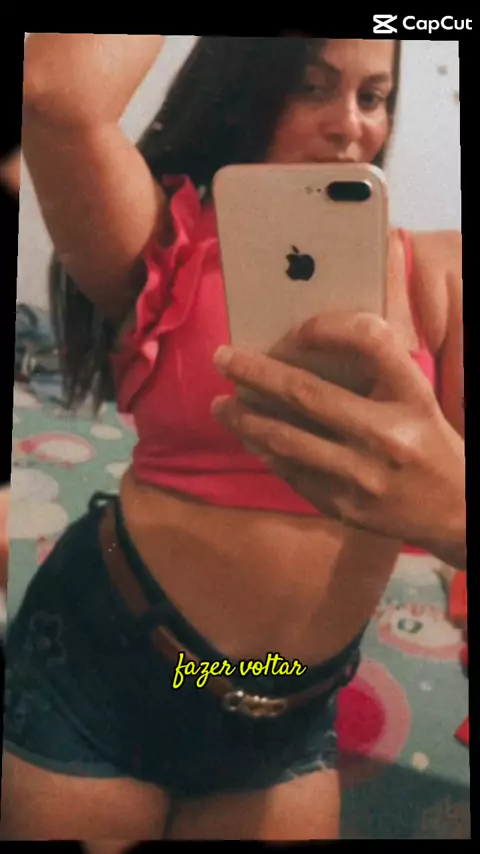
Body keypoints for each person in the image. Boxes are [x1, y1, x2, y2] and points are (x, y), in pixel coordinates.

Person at [1, 36, 464, 843]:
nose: (349, 124)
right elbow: (56, 92)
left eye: (373, 96)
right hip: (100, 673)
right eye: (311, 86)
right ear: (247, 86)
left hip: (284, 720)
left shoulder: (439, 276)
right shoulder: (163, 239)